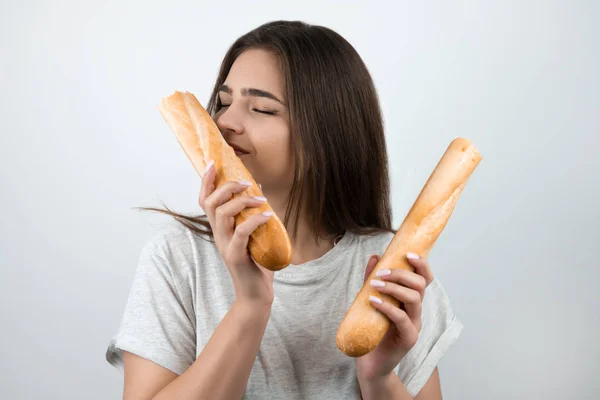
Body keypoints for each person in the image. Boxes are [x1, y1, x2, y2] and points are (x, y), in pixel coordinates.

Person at [106, 20, 463, 400]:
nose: (225, 121)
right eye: (224, 102)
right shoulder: (177, 258)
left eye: (260, 108)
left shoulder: (392, 273)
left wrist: (378, 379)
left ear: (328, 130)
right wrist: (250, 305)